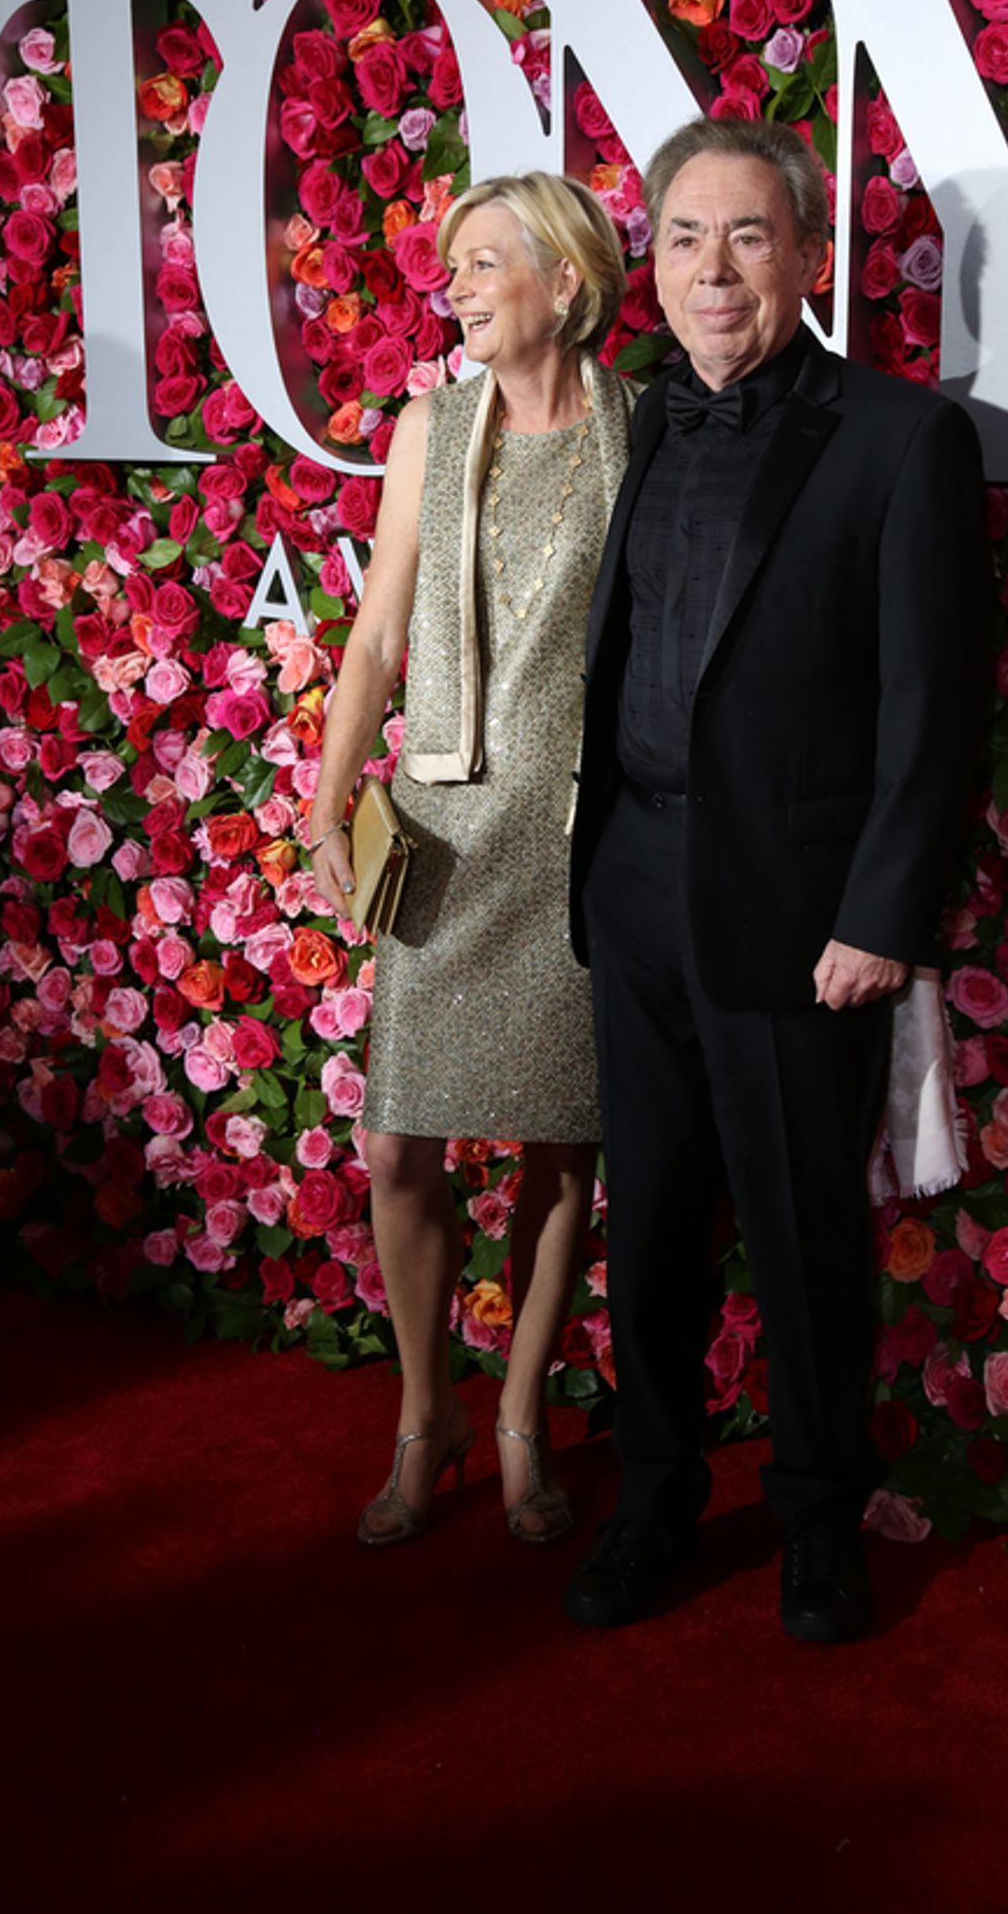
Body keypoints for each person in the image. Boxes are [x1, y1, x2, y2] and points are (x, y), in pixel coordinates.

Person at [563, 118, 990, 1641]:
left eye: (748, 236)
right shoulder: (630, 425)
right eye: (685, 237)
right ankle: (659, 1501)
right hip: (633, 887)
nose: (714, 269)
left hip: (800, 912)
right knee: (656, 1227)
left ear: (810, 258)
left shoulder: (898, 437)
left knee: (806, 1238)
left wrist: (882, 914)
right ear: (651, 264)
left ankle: (818, 1522)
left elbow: (933, 706)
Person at [308, 172, 630, 1548]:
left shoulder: (645, 429)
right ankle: (423, 1414)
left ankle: (519, 1422)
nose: (455, 282)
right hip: (441, 831)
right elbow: (379, 633)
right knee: (397, 1148)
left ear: (566, 282)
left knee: (566, 1143)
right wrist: (329, 804)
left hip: (576, 836)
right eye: (453, 263)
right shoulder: (428, 430)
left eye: (484, 259)